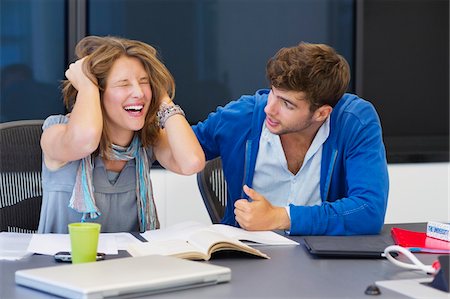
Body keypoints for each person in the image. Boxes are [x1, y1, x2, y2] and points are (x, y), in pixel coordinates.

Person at [193, 42, 389, 236]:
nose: (269, 109)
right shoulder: (241, 117)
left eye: (287, 104)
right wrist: (166, 105)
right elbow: (178, 148)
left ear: (321, 113)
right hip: (249, 255)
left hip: (323, 261)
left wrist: (280, 217)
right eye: (273, 93)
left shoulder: (355, 121)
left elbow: (368, 210)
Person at [38, 36, 205, 233]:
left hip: (129, 262)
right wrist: (87, 85)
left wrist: (162, 98)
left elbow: (192, 162)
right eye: (124, 84)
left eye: (144, 82)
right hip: (66, 262)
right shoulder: (57, 132)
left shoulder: (148, 139)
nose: (139, 93)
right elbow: (85, 141)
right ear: (97, 93)